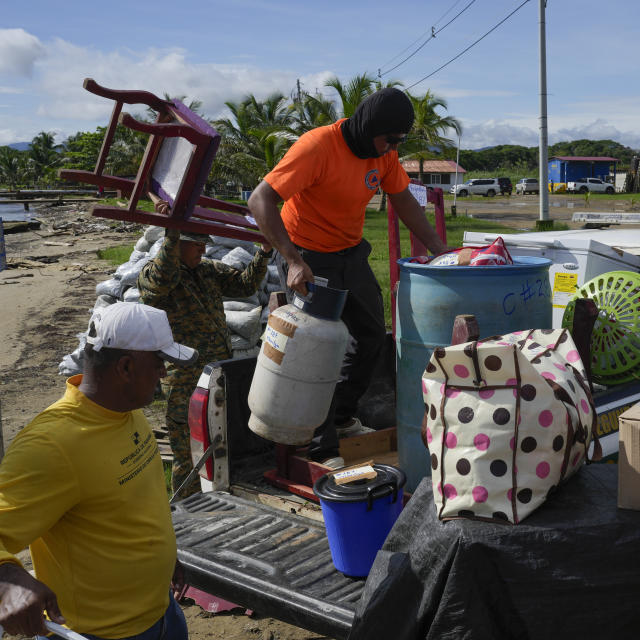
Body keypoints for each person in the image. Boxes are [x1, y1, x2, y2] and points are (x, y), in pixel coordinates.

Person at [248, 87, 447, 465]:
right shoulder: (317, 147)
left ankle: (340, 418)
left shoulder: (384, 155)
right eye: (390, 139)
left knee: (372, 337)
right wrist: (290, 260)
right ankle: (321, 446)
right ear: (370, 126)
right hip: (305, 254)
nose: (393, 148)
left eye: (400, 141)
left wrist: (440, 250)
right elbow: (260, 199)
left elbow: (403, 199)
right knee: (317, 348)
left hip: (349, 253)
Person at [0, 302, 196, 639]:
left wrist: (163, 556)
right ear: (125, 368)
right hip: (103, 633)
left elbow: (130, 501)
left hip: (162, 612)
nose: (165, 373)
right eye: (160, 363)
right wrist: (7, 580)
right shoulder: (52, 445)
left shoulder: (125, 410)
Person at [139, 205, 272, 497]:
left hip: (216, 374)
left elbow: (245, 284)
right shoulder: (155, 276)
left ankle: (215, 501)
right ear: (178, 246)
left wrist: (263, 253)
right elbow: (162, 279)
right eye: (196, 245)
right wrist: (171, 233)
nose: (202, 250)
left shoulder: (207, 270)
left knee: (219, 445)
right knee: (188, 455)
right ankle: (183, 512)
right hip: (184, 380)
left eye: (203, 245)